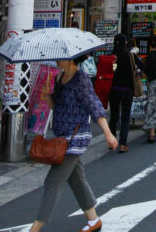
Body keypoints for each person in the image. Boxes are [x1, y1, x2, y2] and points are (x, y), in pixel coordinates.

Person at [27, 53, 118, 232]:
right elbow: (58, 107)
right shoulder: (60, 76)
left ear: (71, 58)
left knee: (53, 182)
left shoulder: (81, 79)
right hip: (62, 138)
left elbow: (95, 107)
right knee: (76, 179)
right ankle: (94, 220)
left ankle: (35, 228)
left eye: (60, 56)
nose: (56, 59)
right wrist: (47, 96)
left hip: (75, 139)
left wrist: (108, 134)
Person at [107, 33, 145, 153]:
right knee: (125, 116)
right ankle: (123, 144)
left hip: (113, 89)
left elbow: (110, 71)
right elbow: (142, 67)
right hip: (127, 90)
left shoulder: (112, 56)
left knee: (113, 116)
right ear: (125, 43)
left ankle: (112, 141)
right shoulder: (131, 56)